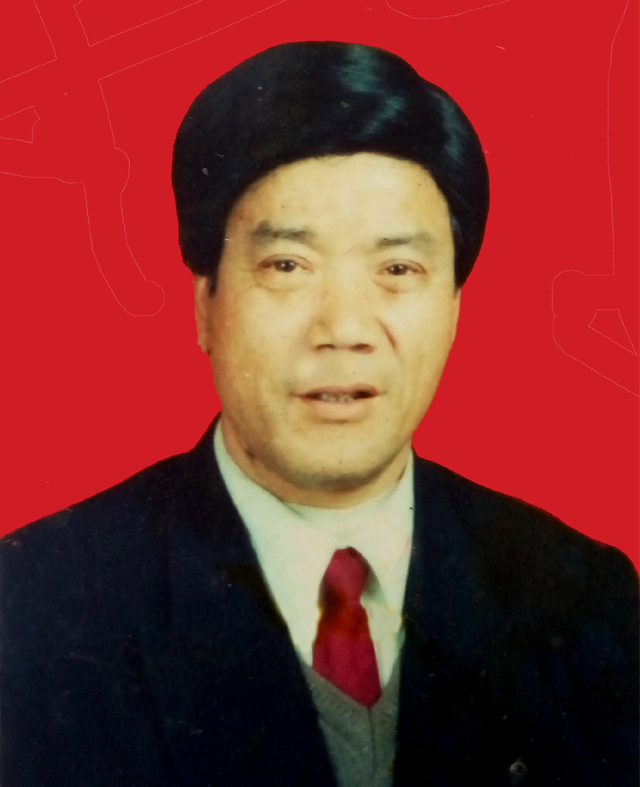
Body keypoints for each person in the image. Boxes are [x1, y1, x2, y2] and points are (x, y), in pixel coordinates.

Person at [0, 41, 637, 787]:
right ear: (206, 303)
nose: (344, 328)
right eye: (287, 266)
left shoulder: (581, 596)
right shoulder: (35, 601)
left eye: (397, 268)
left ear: (455, 308)